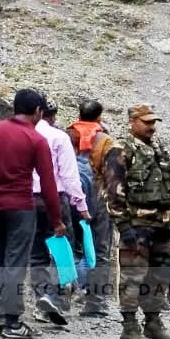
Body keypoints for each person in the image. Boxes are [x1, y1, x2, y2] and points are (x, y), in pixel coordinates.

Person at [0, 89, 64, 339]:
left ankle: (4, 311)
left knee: (3, 260)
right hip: (20, 207)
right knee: (15, 262)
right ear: (39, 112)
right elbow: (49, 183)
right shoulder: (36, 140)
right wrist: (57, 219)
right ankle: (11, 321)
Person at [100, 104, 170, 339]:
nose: (152, 126)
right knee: (133, 276)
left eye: (153, 122)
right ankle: (129, 326)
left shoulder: (158, 150)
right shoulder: (121, 150)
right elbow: (113, 191)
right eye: (146, 122)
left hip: (163, 223)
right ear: (133, 122)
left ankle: (153, 322)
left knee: (159, 275)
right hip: (137, 224)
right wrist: (123, 225)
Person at [30, 99, 88, 325]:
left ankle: (40, 300)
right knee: (62, 249)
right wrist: (81, 206)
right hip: (55, 197)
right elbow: (70, 176)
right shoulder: (59, 137)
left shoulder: (23, 135)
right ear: (52, 116)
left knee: (36, 254)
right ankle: (54, 296)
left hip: (27, 200)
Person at [66, 100, 114, 317]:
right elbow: (113, 175)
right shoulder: (105, 140)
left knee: (66, 248)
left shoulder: (67, 135)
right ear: (99, 116)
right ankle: (95, 302)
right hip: (97, 199)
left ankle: (59, 298)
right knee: (100, 251)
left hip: (66, 198)